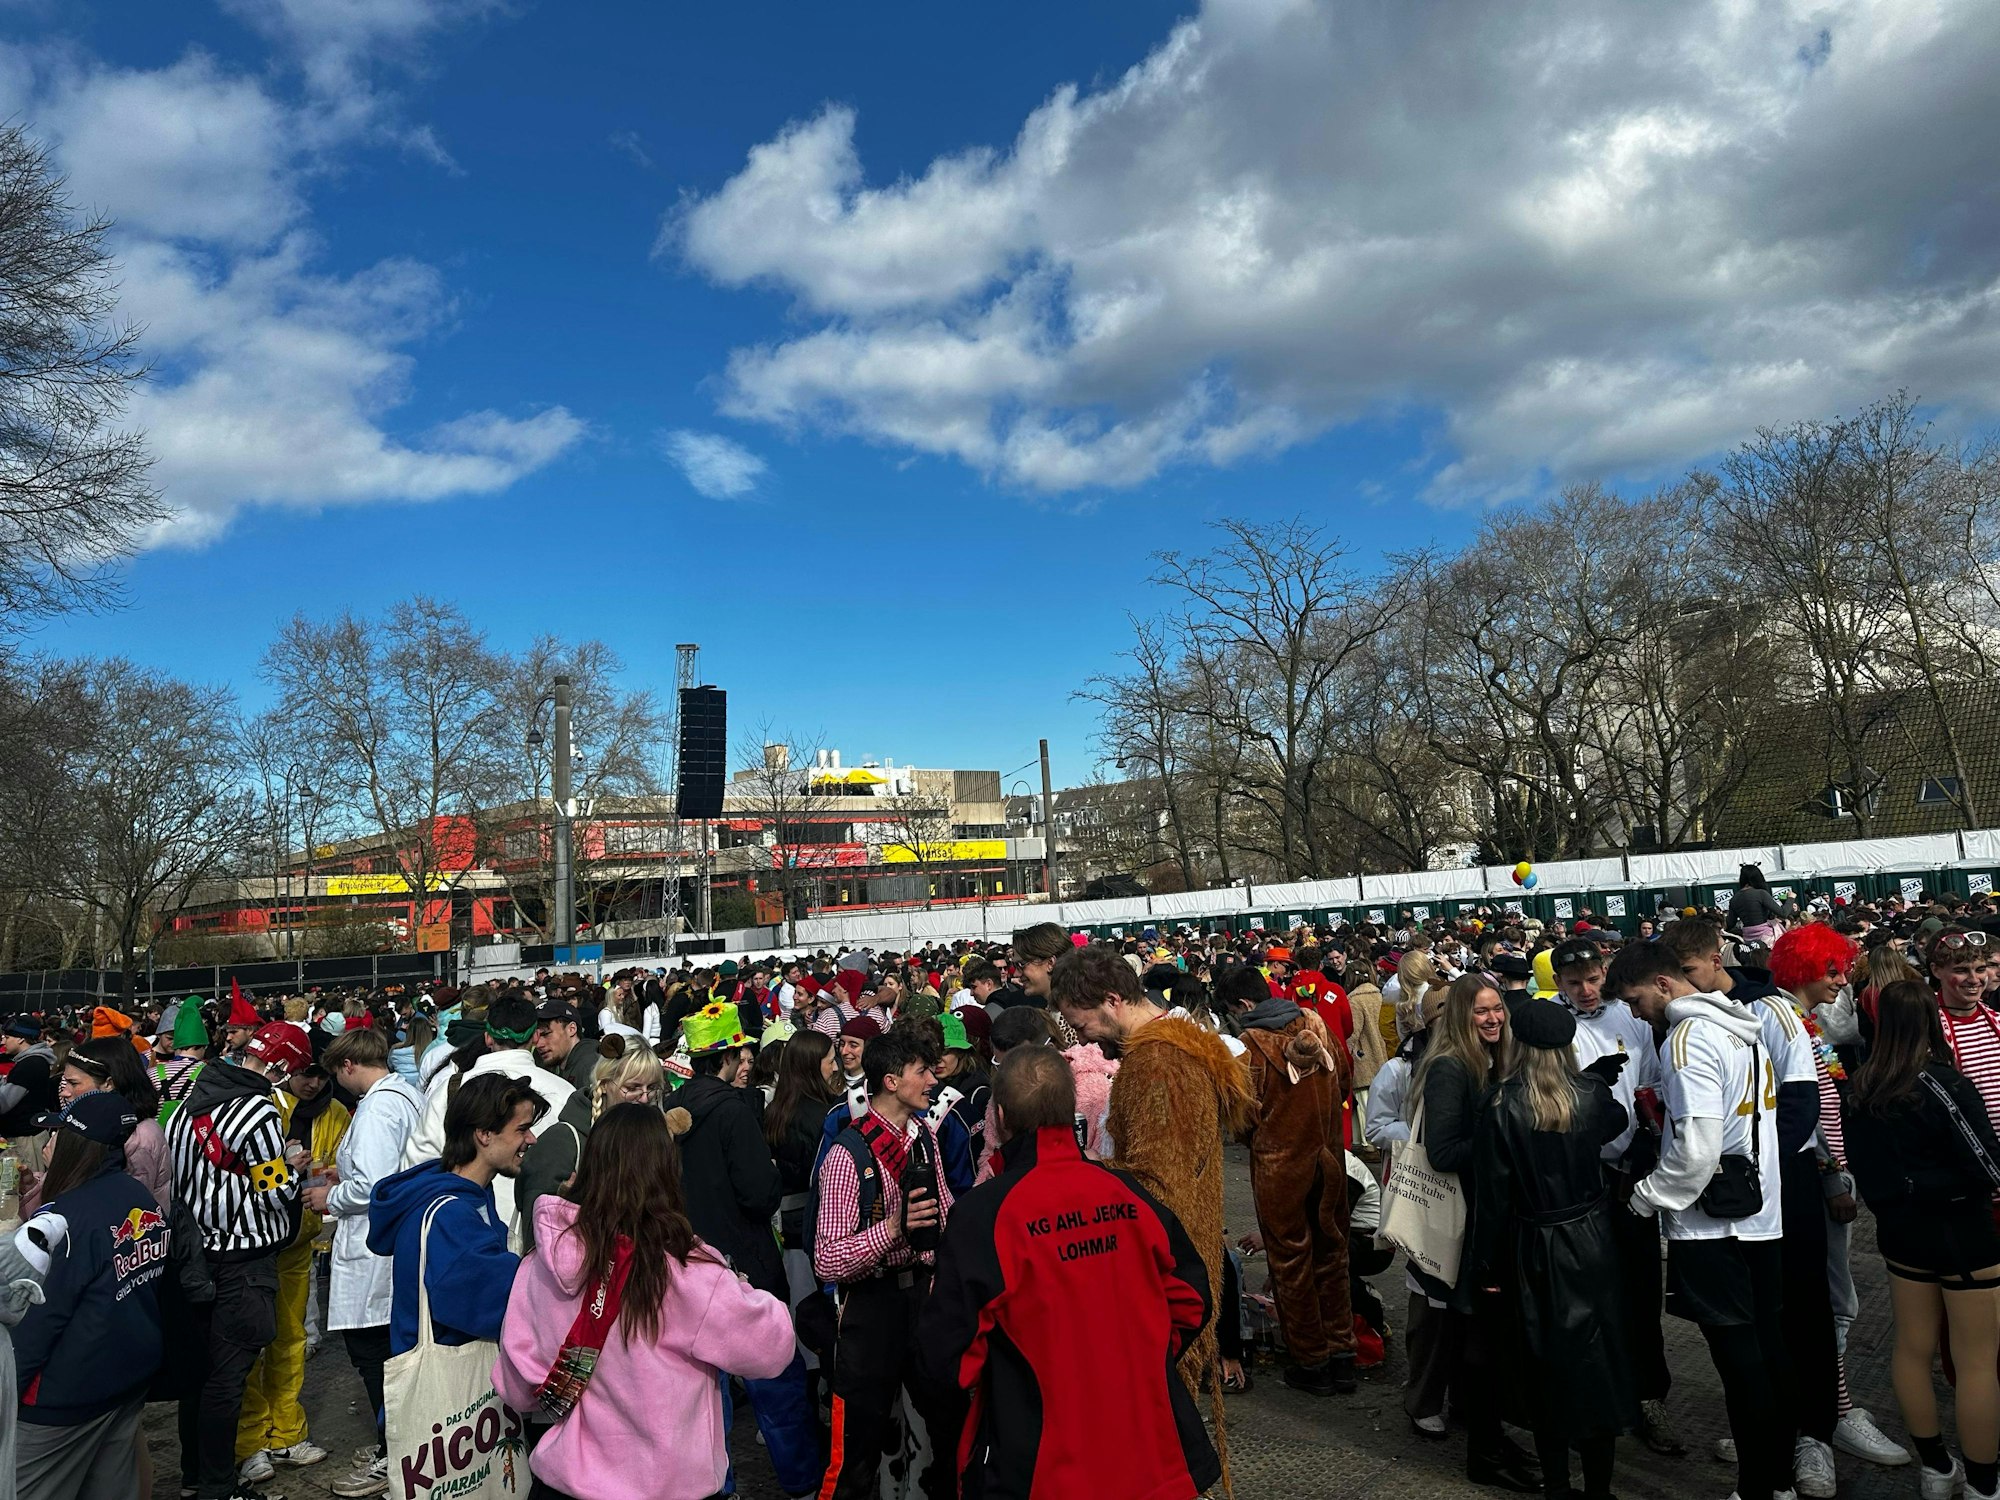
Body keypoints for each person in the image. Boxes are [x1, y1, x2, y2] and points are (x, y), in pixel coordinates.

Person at [917, 1045, 1221, 1498]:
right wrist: (1140, 1362)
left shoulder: (984, 1215)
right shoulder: (1126, 1191)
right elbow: (1193, 1297)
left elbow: (947, 1360)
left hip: (1041, 1463)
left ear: (999, 1116)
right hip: (1151, 1453)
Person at [495, 1104, 794, 1500]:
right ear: (666, 1170)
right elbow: (771, 1348)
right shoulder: (686, 1272)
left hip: (565, 1484)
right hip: (668, 1487)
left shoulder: (543, 1264)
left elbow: (517, 1390)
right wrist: (736, 1283)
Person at [1051, 945, 1251, 1476]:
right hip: (1187, 1247)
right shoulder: (1176, 1046)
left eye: (1083, 1021)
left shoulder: (1156, 1062)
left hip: (1167, 1265)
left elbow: (1158, 1183)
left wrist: (1085, 1169)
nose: (1083, 1036)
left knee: (1162, 1420)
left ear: (1112, 1000)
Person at [1607, 941, 1795, 1500]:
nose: (1637, 1013)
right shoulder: (1742, 1026)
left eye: (1636, 1000)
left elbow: (1696, 1150)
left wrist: (1644, 1198)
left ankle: (1759, 1485)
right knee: (1766, 1354)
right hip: (1759, 1215)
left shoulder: (1688, 1038)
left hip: (1715, 1225)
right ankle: (1777, 1479)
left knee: (1741, 1367)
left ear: (1664, 984)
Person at [1470, 1001, 1636, 1500]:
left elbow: (1492, 1200)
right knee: (1599, 1362)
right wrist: (1595, 1082)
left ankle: (1559, 1485)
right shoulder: (1588, 1096)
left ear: (1519, 1041)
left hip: (1533, 1244)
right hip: (1593, 1240)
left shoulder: (1501, 1104)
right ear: (1568, 1046)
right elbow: (1613, 1123)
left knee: (1546, 1364)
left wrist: (1485, 1266)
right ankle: (1600, 1489)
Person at [1845, 978, 2000, 1500]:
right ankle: (1983, 1483)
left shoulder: (1861, 1086)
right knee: (1977, 1360)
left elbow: (1865, 1170)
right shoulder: (1942, 1083)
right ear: (1931, 1021)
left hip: (1899, 1236)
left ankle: (1935, 1468)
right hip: (1963, 1234)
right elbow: (1987, 1162)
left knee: (1912, 1349)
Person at [1401, 973, 1538, 1492]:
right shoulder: (1449, 1068)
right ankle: (1471, 1429)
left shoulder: (1491, 1060)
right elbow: (1443, 1153)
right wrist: (1501, 1139)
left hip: (1484, 1217)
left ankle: (1481, 1420)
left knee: (1475, 1334)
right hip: (1458, 1219)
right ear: (1461, 1015)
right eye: (1481, 1011)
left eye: (1497, 1009)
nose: (1493, 1019)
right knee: (1464, 1329)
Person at [674, 1002, 817, 1499]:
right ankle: (802, 1482)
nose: (751, 1059)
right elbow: (759, 1193)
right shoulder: (732, 1111)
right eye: (744, 1051)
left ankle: (722, 1485)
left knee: (708, 1393)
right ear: (728, 1056)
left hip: (689, 1264)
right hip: (743, 1262)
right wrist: (774, 1173)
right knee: (774, 1375)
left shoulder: (674, 1109)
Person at [165, 1020, 312, 1500]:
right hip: (243, 1260)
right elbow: (273, 1190)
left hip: (193, 1256)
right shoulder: (258, 1111)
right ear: (281, 1065)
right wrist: (295, 1173)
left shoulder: (189, 1099)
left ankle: (195, 1475)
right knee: (227, 1379)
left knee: (197, 1374)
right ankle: (219, 1485)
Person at [1545, 936, 1680, 1457]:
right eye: (1573, 982)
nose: (1585, 990)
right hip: (1576, 1180)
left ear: (1605, 974)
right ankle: (1592, 1397)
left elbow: (1649, 1089)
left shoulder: (1632, 1018)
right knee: (1583, 1296)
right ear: (1558, 982)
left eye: (1593, 979)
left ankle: (1649, 1396)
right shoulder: (1548, 1025)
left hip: (1629, 1176)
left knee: (1642, 1291)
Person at [812, 1026, 956, 1500]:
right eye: (923, 1071)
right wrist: (892, 1228)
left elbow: (947, 1212)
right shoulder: (846, 1153)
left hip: (923, 1298)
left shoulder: (924, 1139)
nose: (933, 1080)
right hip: (870, 1309)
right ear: (892, 1081)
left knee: (946, 1429)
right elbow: (828, 1261)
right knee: (858, 1450)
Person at [12, 1094, 166, 1500]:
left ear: (77, 1144)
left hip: (61, 1399)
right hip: (126, 1379)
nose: (47, 1142)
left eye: (56, 1133)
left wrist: (9, 1391)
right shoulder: (137, 1197)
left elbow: (36, 1319)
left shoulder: (65, 1219)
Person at [1218, 964, 1356, 1396]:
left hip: (1282, 1171)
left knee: (1291, 1263)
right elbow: (1346, 1080)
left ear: (1243, 1005)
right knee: (1333, 1253)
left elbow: (1241, 1119)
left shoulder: (1249, 1048)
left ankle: (1311, 1361)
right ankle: (1343, 1354)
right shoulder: (1316, 1026)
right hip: (1331, 1157)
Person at [303, 1027, 423, 1500]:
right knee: (388, 1356)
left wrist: (329, 1194)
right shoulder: (405, 1095)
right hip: (392, 1247)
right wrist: (344, 1170)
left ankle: (390, 1456)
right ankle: (394, 1447)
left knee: (374, 1359)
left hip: (373, 1251)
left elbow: (374, 1185)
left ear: (348, 1066)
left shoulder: (375, 1108)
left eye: (337, 1073)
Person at [231, 1055, 349, 1489]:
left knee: (291, 1339)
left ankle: (287, 1431)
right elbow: (244, 1176)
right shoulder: (260, 1107)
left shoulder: (336, 1113)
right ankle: (249, 1443)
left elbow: (334, 1167)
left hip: (299, 1238)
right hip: (255, 1244)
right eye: (305, 1073)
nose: (313, 1083)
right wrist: (284, 1171)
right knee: (250, 1345)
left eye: (320, 1074)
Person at [367, 1073, 538, 1357]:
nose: (531, 1139)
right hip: (445, 1394)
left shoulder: (472, 1195)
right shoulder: (450, 1215)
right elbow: (495, 1301)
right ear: (483, 1134)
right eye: (522, 1129)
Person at [401, 992, 573, 1251]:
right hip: (543, 1246)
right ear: (536, 1037)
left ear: (488, 1037)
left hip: (462, 1239)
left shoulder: (451, 1089)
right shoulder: (565, 1093)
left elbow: (416, 1168)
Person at [0, 1020, 58, 1141]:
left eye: (7, 1037)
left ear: (20, 1039)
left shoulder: (29, 1065)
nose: (3, 1041)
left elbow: (3, 1103)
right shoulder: (33, 1061)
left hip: (24, 1139)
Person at [529, 1000, 598, 1093]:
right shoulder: (557, 1062)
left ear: (571, 1029)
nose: (538, 1044)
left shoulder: (589, 1068)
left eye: (546, 1034)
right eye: (536, 1036)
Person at [1730, 866, 1787, 948]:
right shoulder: (1761, 893)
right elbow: (1783, 913)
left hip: (1748, 939)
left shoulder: (1734, 899)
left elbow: (1730, 923)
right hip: (1766, 938)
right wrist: (1790, 898)